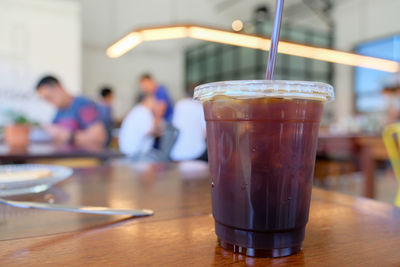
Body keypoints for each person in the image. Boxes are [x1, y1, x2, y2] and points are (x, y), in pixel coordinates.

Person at [36, 75, 107, 148]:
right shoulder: (59, 111)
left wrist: (69, 136)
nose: (50, 102)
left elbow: (99, 137)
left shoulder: (83, 104)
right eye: (46, 100)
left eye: (50, 97)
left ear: (59, 87)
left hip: (84, 157)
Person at [170, 84, 207, 161]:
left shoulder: (179, 104)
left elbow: (174, 127)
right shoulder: (200, 106)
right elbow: (206, 133)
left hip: (176, 153)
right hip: (196, 153)